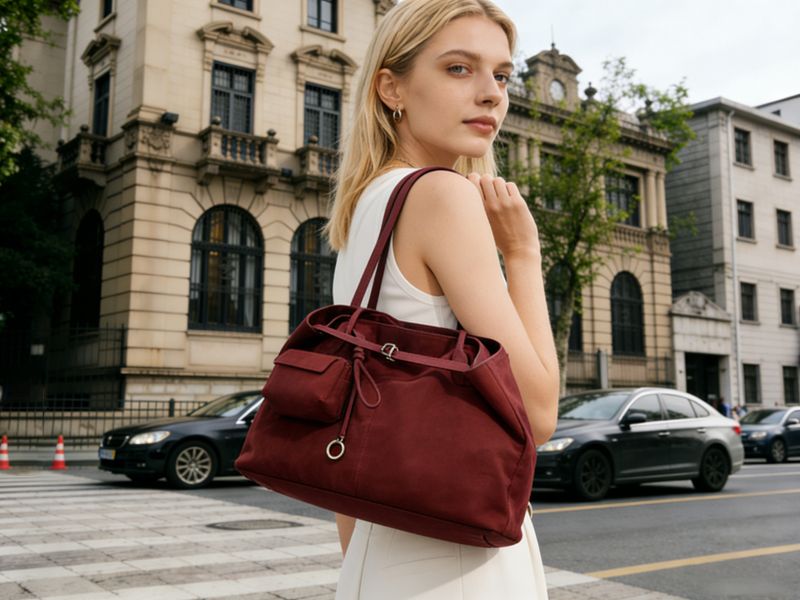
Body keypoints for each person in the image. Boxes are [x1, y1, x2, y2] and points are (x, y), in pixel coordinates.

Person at [326, 1, 560, 598]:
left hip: (380, 552)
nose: (491, 95)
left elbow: (352, 423)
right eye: (460, 69)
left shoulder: (362, 216)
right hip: (456, 557)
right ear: (391, 87)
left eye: (502, 75)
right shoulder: (441, 196)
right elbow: (536, 416)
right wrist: (524, 254)